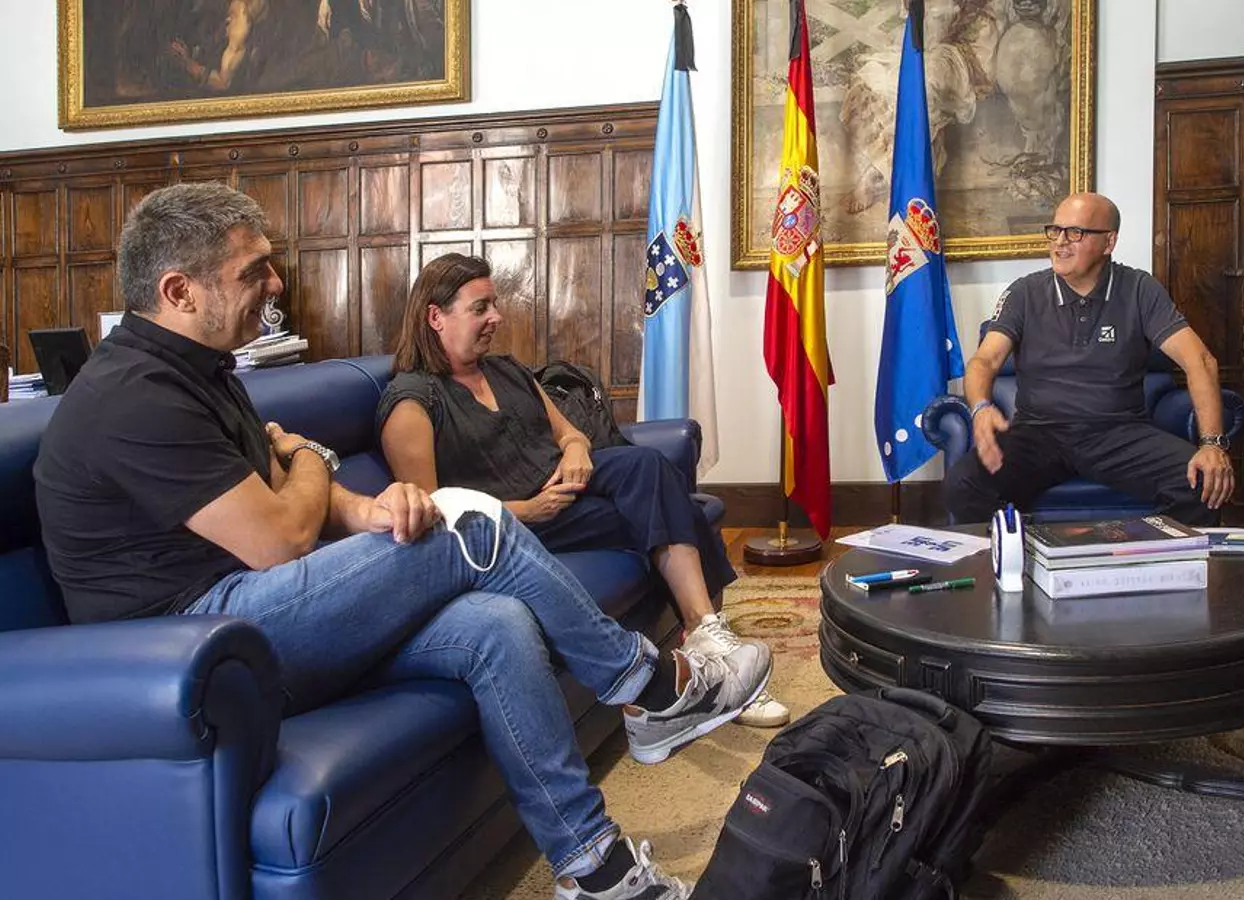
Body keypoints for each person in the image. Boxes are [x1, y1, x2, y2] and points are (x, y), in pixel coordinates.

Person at [31, 183, 771, 900]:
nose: (276, 283)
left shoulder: (202, 371)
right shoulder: (135, 395)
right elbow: (280, 538)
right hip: (194, 649)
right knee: (471, 521)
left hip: (256, 621)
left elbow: (292, 496)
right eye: (253, 270)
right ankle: (650, 687)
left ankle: (593, 867)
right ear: (179, 291)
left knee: (495, 623)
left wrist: (373, 509)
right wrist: (312, 456)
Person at [376, 254, 791, 728]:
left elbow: (569, 433)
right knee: (673, 509)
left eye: (494, 304)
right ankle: (719, 670)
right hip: (512, 530)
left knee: (649, 469)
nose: (497, 317)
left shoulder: (505, 371)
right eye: (480, 308)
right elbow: (433, 511)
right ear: (435, 316)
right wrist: (525, 510)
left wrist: (576, 449)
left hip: (565, 496)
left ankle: (706, 639)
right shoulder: (411, 402)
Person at [943, 192, 1235, 526]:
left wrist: (1212, 444)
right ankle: (1018, 557)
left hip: (1119, 434)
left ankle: (1149, 558)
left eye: (1075, 233)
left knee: (1202, 483)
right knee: (963, 484)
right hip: (1037, 434)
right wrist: (981, 407)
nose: (1060, 243)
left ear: (1109, 242)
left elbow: (1200, 361)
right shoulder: (1024, 292)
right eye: (1055, 230)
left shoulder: (1139, 289)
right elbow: (985, 361)